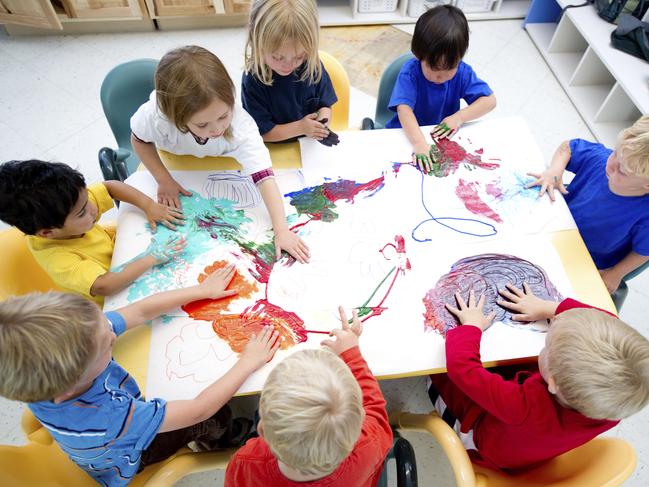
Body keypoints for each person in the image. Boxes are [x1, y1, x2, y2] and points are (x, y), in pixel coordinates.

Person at [0, 264, 280, 486]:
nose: (112, 332)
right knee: (215, 416)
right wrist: (248, 361)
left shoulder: (62, 354)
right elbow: (198, 409)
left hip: (91, 440)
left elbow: (139, 310)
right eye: (107, 343)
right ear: (69, 387)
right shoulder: (111, 415)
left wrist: (200, 290)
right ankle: (226, 437)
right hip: (129, 456)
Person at [427, 285, 649, 471]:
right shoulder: (615, 403)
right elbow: (606, 320)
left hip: (484, 443)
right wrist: (550, 308)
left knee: (437, 371)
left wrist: (470, 327)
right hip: (531, 437)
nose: (545, 345)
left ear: (552, 383)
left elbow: (462, 369)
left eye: (547, 345)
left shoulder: (524, 406)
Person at [130, 45, 310, 263]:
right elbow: (139, 140)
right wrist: (164, 179)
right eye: (202, 124)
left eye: (223, 116)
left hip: (221, 162)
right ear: (174, 117)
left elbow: (265, 178)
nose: (216, 129)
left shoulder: (241, 125)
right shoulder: (156, 116)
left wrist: (281, 230)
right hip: (173, 160)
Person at [225, 307, 393, 486]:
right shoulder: (369, 445)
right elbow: (375, 408)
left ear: (262, 431)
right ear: (360, 420)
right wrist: (351, 353)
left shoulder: (248, 463)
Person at [0, 159, 185, 304]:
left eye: (87, 200)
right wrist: (152, 257)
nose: (93, 209)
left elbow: (111, 187)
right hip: (111, 299)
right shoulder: (58, 259)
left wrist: (149, 205)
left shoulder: (71, 205)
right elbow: (104, 286)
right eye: (82, 213)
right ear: (48, 233)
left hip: (120, 254)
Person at [528, 115, 649, 293]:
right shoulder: (601, 159)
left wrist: (616, 273)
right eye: (615, 153)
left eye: (621, 170)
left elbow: (643, 252)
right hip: (554, 227)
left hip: (586, 261)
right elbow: (567, 147)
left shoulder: (645, 214)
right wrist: (554, 170)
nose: (611, 163)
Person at [385, 5, 496, 172]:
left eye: (449, 68)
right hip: (406, 134)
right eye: (433, 68)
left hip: (439, 136)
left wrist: (459, 117)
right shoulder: (410, 73)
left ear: (459, 59)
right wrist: (419, 142)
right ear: (419, 54)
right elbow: (404, 110)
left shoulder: (462, 72)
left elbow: (490, 101)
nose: (440, 76)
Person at [242, 0, 339, 146]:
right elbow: (263, 133)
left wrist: (321, 126)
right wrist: (301, 127)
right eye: (277, 57)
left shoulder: (312, 65)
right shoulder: (253, 80)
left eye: (299, 56)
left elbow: (325, 105)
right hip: (274, 150)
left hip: (309, 148)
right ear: (256, 42)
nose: (288, 65)